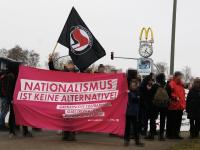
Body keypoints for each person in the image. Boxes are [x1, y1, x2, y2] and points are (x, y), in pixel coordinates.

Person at [48, 55, 76, 141]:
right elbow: (52, 70)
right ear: (66, 66)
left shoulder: (78, 74)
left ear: (74, 66)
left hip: (74, 99)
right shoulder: (63, 72)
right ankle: (65, 134)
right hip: (64, 99)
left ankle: (71, 134)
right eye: (69, 64)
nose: (71, 66)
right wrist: (50, 62)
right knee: (64, 118)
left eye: (72, 65)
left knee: (72, 118)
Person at [124, 79, 144, 147]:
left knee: (136, 127)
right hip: (128, 112)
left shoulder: (137, 92)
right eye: (131, 85)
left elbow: (135, 99)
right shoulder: (127, 92)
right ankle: (126, 140)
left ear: (136, 85)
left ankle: (137, 141)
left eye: (134, 85)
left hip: (135, 112)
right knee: (127, 127)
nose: (133, 86)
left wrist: (130, 93)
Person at [166, 72, 185, 139]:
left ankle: (176, 134)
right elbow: (168, 94)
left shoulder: (181, 85)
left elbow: (182, 95)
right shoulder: (171, 84)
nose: (181, 78)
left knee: (178, 121)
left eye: (181, 77)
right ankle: (170, 134)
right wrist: (174, 98)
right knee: (171, 121)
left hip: (180, 106)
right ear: (176, 76)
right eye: (180, 76)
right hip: (172, 106)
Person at [151, 73, 169, 140]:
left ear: (157, 79)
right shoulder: (167, 86)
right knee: (162, 120)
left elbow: (151, 95)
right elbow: (169, 95)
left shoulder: (155, 86)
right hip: (164, 105)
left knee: (153, 119)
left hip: (155, 105)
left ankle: (152, 134)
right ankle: (161, 135)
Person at [140, 73, 156, 137]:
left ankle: (152, 131)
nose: (151, 81)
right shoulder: (143, 86)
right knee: (145, 119)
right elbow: (142, 96)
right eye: (151, 80)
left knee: (151, 119)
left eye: (152, 80)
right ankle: (145, 131)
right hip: (145, 105)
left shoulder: (153, 86)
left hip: (151, 105)